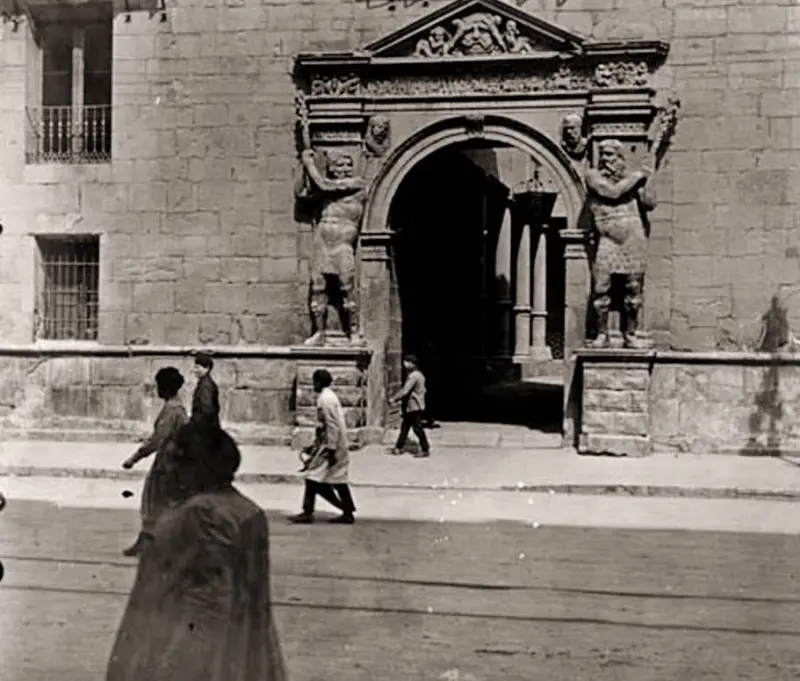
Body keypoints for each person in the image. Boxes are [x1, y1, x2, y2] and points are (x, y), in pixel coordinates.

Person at [107, 423, 287, 681]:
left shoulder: (201, 513)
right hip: (241, 648)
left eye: (178, 459)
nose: (169, 469)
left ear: (198, 466)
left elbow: (207, 600)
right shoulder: (247, 510)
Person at [121, 366, 188, 557]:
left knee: (152, 501)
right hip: (175, 461)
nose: (157, 389)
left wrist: (134, 458)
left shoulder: (171, 410)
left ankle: (148, 543)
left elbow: (157, 440)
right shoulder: (179, 407)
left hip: (167, 462)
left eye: (159, 385)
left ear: (165, 388)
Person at [289, 369, 357, 525]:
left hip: (332, 445)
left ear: (318, 382)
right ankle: (347, 510)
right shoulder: (328, 397)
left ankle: (309, 512)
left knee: (314, 477)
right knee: (336, 479)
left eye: (314, 382)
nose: (313, 385)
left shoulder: (326, 399)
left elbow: (332, 425)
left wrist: (331, 448)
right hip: (330, 443)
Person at [389, 355, 431, 458]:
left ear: (412, 363)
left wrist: (394, 398)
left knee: (417, 428)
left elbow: (405, 390)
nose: (405, 364)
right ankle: (399, 447)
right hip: (414, 405)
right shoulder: (420, 375)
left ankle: (425, 448)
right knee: (405, 427)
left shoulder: (414, 376)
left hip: (413, 405)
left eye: (407, 362)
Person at [191, 352, 220, 427]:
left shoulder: (205, 386)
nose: (194, 370)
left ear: (207, 368)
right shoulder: (206, 383)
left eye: (197, 367)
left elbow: (206, 410)